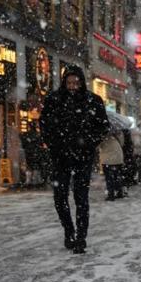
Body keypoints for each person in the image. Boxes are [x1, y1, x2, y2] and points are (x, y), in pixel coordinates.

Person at [40, 65, 109, 254]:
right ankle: (69, 231)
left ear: (81, 82)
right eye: (69, 83)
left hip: (82, 157)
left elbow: (103, 126)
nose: (72, 86)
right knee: (60, 197)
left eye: (76, 83)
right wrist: (53, 143)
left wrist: (89, 143)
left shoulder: (92, 101)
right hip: (60, 157)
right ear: (64, 82)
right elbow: (44, 124)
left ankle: (81, 237)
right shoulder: (54, 100)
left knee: (81, 198)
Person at [99, 128, 125, 201]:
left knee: (109, 178)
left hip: (108, 161)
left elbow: (98, 147)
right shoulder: (115, 136)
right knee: (117, 176)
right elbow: (122, 144)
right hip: (118, 159)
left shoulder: (103, 138)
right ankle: (119, 192)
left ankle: (111, 195)